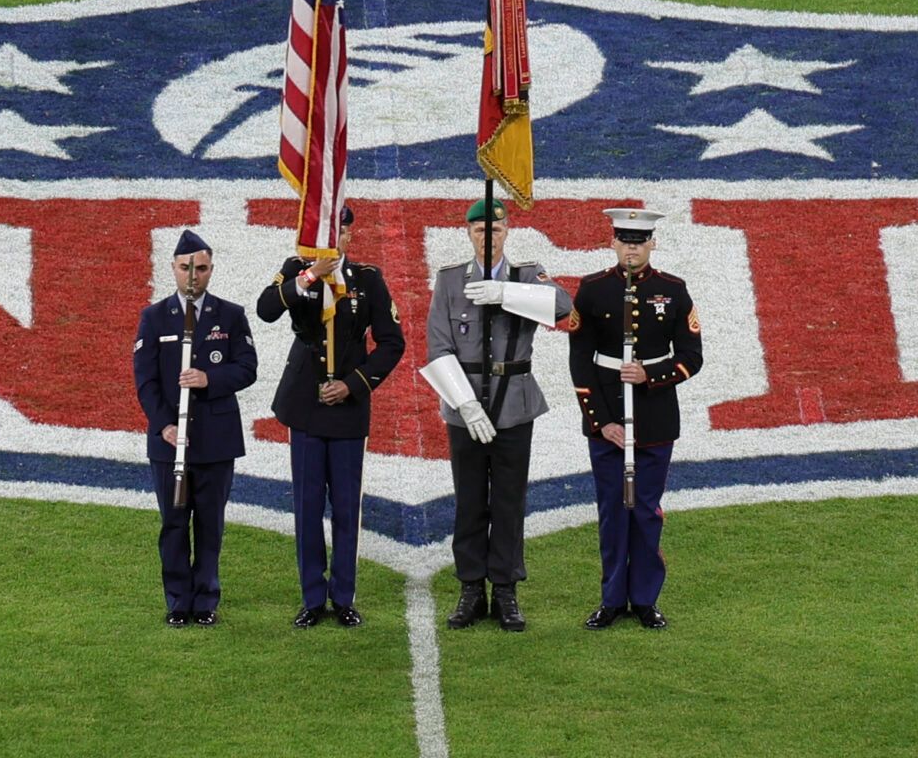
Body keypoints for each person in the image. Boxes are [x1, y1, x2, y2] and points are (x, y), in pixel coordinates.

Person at [421, 197, 572, 633]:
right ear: (468, 234)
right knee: (469, 499)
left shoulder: (527, 274)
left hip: (514, 403)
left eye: (496, 231)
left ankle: (505, 589)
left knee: (508, 500)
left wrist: (506, 292)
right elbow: (438, 345)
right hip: (463, 399)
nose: (488, 238)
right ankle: (471, 587)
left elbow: (562, 305)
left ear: (508, 233)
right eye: (480, 231)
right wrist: (464, 403)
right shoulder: (451, 281)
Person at [258, 205, 405, 628]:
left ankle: (343, 596)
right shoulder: (296, 270)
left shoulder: (368, 280)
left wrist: (355, 384)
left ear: (348, 237)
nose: (335, 239)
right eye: (326, 231)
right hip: (304, 404)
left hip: (347, 408)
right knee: (306, 506)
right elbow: (266, 308)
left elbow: (392, 342)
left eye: (341, 232)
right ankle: (311, 597)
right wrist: (308, 275)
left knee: (345, 506)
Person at [567, 207, 703, 630]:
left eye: (639, 241)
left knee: (645, 511)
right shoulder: (591, 290)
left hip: (655, 417)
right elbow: (580, 362)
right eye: (624, 240)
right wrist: (600, 421)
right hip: (607, 417)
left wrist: (651, 374)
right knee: (612, 511)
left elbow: (692, 358)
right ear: (612, 242)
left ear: (652, 244)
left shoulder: (674, 291)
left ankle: (644, 599)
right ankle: (611, 599)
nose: (631, 248)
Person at [133, 229, 257, 627]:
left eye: (200, 268)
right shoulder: (153, 318)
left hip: (216, 441)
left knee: (209, 523)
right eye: (186, 267)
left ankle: (205, 601)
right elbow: (145, 380)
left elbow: (247, 369)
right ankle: (177, 602)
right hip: (170, 442)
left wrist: (209, 379)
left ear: (211, 270)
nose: (193, 276)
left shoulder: (231, 315)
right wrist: (164, 425)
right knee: (173, 523)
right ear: (172, 267)